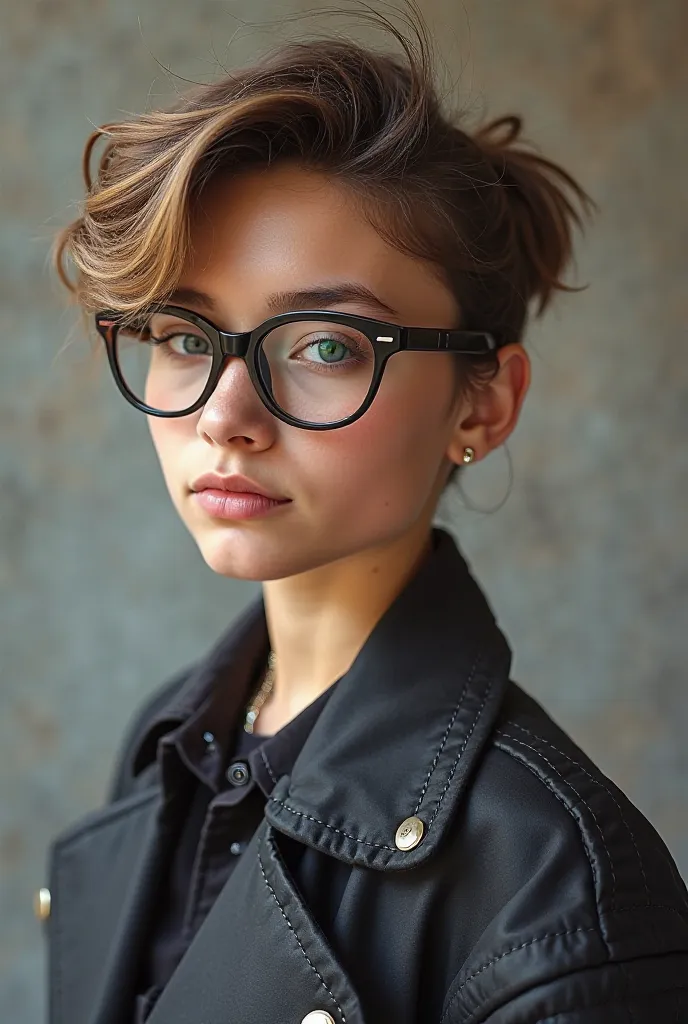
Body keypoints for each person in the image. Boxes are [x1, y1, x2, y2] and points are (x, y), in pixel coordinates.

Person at [45, 5, 688, 1023]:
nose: (225, 416)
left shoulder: (559, 890)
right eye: (182, 332)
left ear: (481, 401)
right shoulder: (173, 740)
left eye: (325, 346)